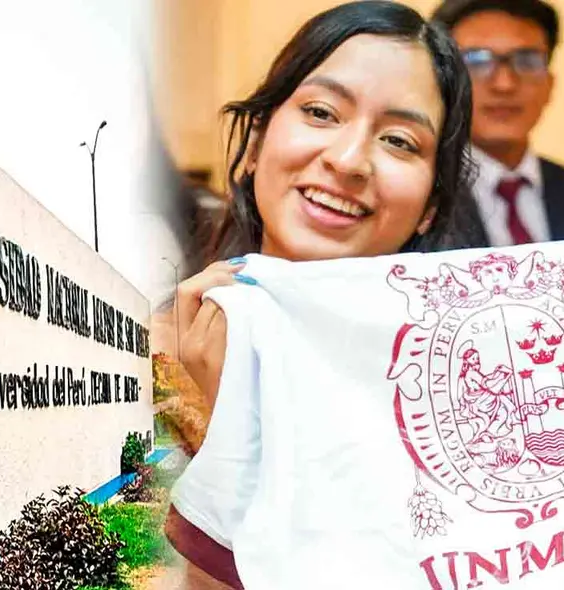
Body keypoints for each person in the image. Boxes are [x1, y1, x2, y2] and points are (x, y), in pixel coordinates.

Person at [162, 2, 479, 587]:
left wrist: (231, 432)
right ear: (256, 140)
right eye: (320, 111)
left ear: (432, 203)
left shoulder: (457, 411)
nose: (350, 159)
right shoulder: (137, 351)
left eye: (401, 141)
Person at [431, 0, 564, 247]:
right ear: (444, 82)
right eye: (477, 60)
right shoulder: (422, 197)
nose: (505, 84)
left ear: (549, 85)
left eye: (527, 61)